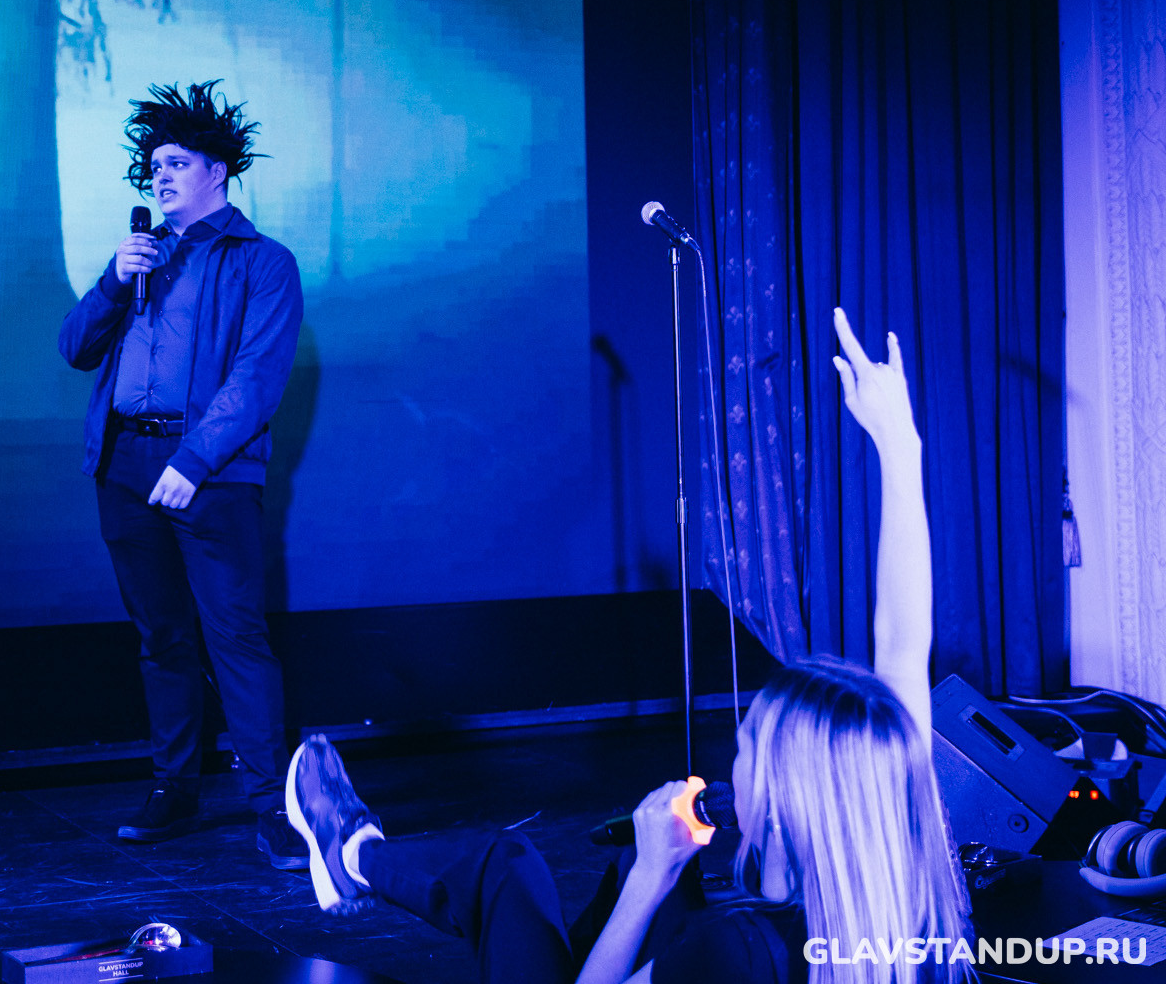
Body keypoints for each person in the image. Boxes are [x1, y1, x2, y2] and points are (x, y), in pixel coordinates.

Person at [284, 308, 973, 983]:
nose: (732, 764)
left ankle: (353, 855)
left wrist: (650, 876)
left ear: (785, 798)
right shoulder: (914, 892)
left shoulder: (735, 950)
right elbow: (902, 647)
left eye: (749, 749)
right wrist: (899, 447)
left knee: (506, 870)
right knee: (651, 880)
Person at [57, 81, 307, 871]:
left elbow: (257, 376)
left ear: (217, 170)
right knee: (161, 636)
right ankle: (175, 787)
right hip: (124, 465)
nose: (160, 176)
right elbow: (75, 347)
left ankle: (273, 806)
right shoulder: (141, 257)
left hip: (211, 470)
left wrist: (193, 460)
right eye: (154, 165)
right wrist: (112, 277)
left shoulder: (263, 262)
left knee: (235, 634)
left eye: (176, 163)